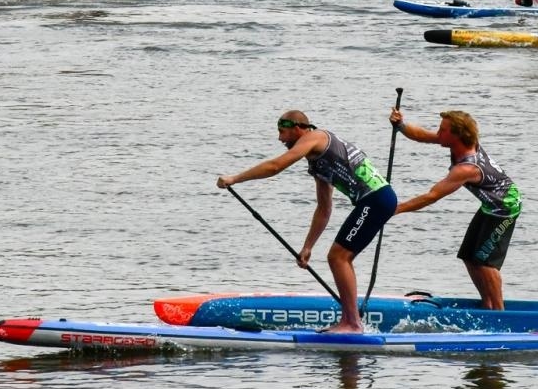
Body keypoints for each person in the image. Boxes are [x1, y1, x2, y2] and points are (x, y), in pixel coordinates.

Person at [217, 110, 397, 333]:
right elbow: (324, 207)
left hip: (376, 199)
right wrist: (308, 246)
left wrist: (234, 178)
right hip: (375, 201)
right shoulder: (318, 160)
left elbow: (275, 166)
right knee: (339, 256)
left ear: (297, 128)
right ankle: (351, 320)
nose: (280, 138)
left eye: (282, 132)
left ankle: (352, 323)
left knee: (338, 257)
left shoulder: (316, 137)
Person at [390, 106, 522, 311]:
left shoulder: (466, 168)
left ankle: (499, 312)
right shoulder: (457, 143)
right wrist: (401, 125)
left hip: (505, 208)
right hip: (490, 205)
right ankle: (487, 304)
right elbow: (423, 136)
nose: (438, 133)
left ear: (457, 135)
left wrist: (395, 209)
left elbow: (431, 196)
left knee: (485, 262)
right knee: (469, 257)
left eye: (443, 130)